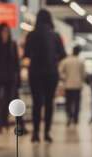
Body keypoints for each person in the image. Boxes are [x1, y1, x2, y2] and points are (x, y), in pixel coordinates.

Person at [24, 9, 66, 143]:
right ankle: (47, 133)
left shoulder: (31, 35)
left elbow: (26, 53)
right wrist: (54, 59)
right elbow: (63, 54)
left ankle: (35, 133)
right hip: (51, 73)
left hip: (35, 72)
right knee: (49, 103)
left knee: (37, 103)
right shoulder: (55, 35)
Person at [59, 45, 86, 126]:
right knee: (77, 102)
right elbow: (83, 74)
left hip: (68, 85)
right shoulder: (81, 61)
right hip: (78, 85)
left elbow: (60, 72)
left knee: (68, 102)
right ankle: (75, 118)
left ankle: (69, 117)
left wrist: (64, 78)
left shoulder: (66, 61)